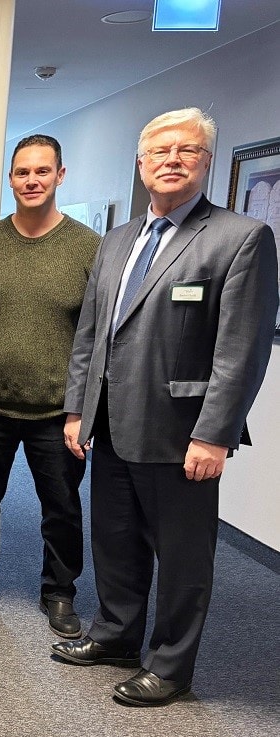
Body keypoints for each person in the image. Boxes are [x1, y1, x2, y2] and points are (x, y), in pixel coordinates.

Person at [55, 107, 277, 706]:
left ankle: (171, 665)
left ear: (207, 162)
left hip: (183, 433)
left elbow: (241, 351)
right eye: (159, 152)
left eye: (186, 151)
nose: (171, 161)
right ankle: (116, 635)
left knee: (182, 558)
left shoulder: (240, 238)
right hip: (110, 422)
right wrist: (78, 409)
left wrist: (215, 435)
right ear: (141, 164)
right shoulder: (118, 241)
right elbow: (92, 336)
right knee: (116, 542)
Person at [0, 136, 100, 638]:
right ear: (10, 178)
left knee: (61, 509)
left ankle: (59, 592)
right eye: (21, 172)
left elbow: (98, 338)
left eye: (42, 171)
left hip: (58, 413)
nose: (31, 181)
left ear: (60, 175)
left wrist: (86, 410)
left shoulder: (89, 249)